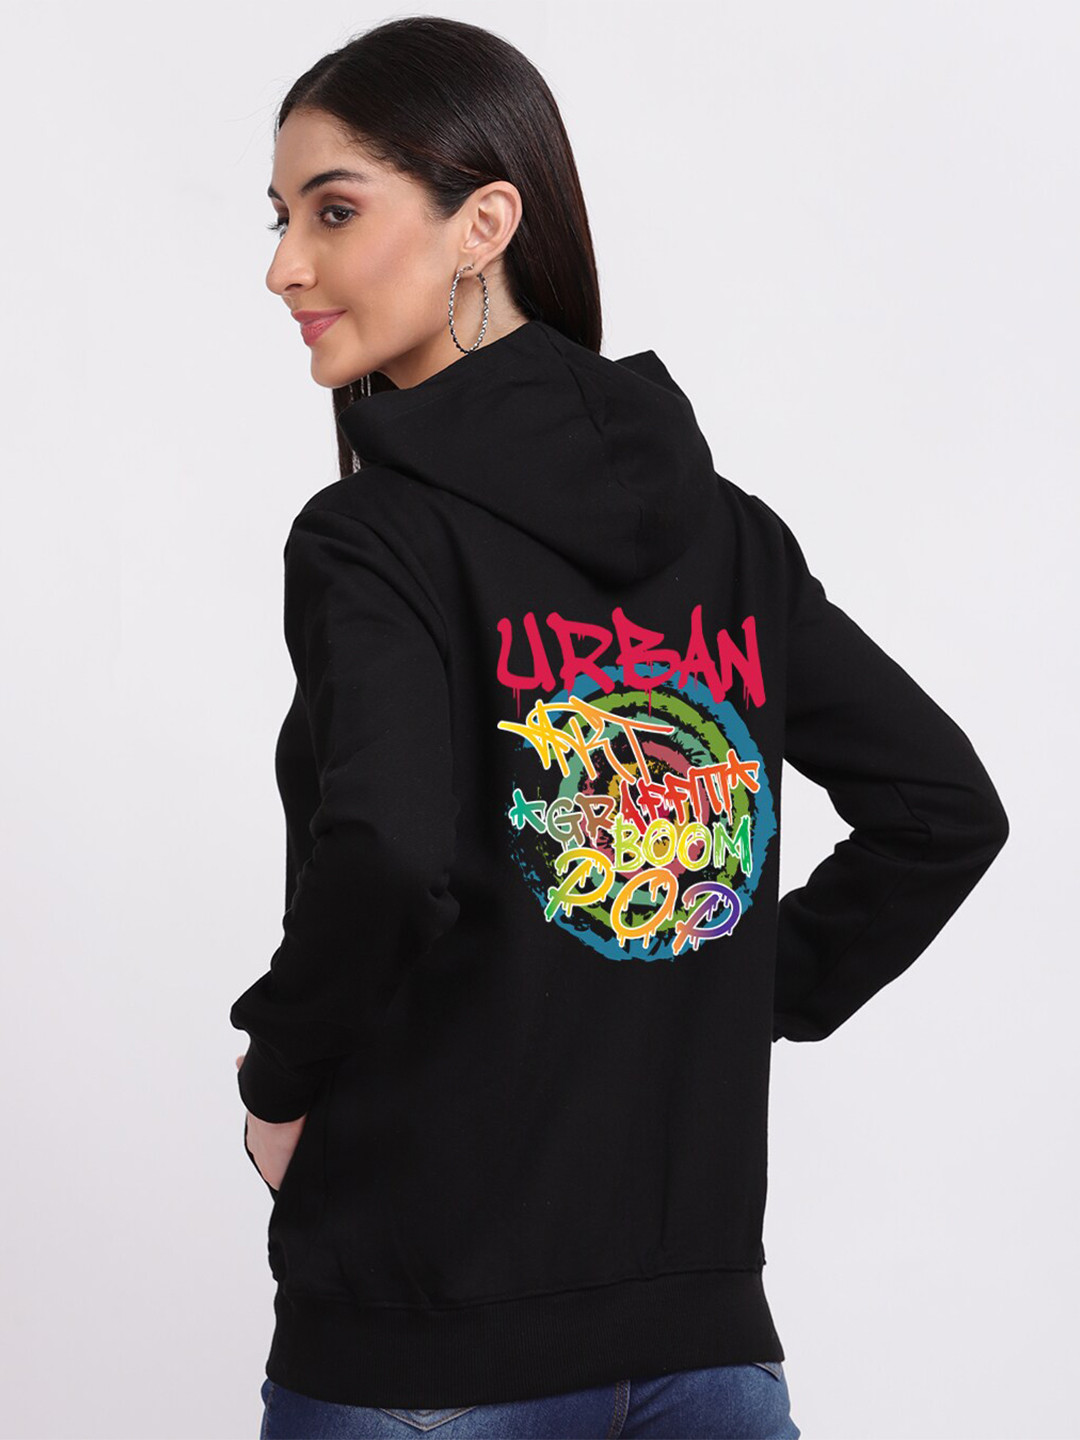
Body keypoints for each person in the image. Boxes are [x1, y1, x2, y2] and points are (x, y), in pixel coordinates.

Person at [228, 16, 1009, 1440]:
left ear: (484, 225)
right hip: (704, 1349)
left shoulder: (372, 537)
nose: (285, 265)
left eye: (333, 211)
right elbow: (942, 811)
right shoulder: (731, 536)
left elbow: (387, 849)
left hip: (423, 1342)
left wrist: (277, 1077)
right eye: (279, 219)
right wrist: (707, 980)